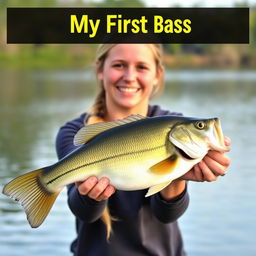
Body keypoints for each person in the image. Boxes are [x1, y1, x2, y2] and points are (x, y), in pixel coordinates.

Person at [56, 44, 231, 256]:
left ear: (158, 75)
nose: (130, 77)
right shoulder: (73, 132)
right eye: (119, 65)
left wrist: (176, 178)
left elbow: (166, 215)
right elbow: (85, 212)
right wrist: (91, 195)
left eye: (141, 67)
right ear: (100, 70)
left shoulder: (172, 123)